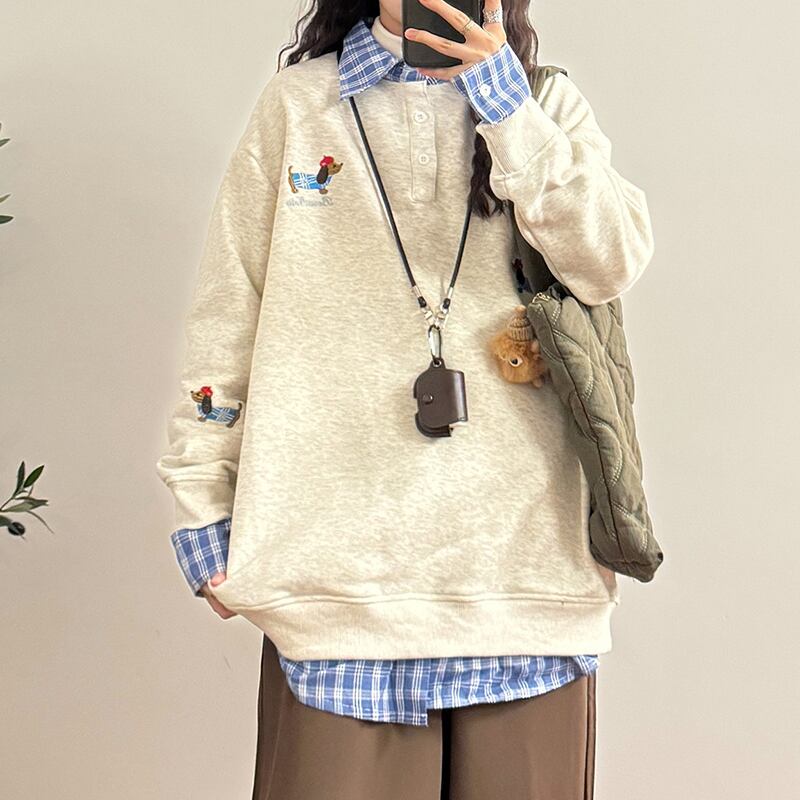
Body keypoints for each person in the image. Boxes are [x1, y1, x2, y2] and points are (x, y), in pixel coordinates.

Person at [155, 1, 655, 797]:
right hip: (335, 587)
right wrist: (203, 509)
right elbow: (228, 314)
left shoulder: (541, 104)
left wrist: (505, 107)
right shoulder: (300, 106)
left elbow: (611, 261)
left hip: (524, 584)